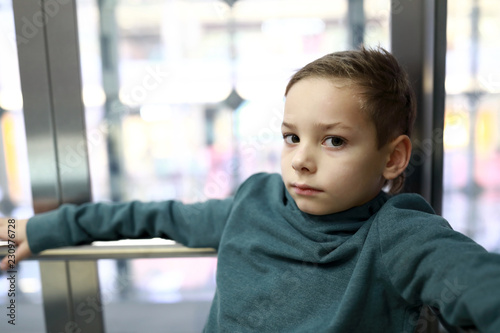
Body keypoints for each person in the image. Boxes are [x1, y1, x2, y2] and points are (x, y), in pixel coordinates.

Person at [1, 47, 500, 333]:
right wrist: (38, 229)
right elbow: (150, 216)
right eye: (292, 136)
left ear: (392, 157)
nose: (301, 158)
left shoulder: (399, 235)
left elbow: (478, 287)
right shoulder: (255, 200)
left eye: (334, 140)